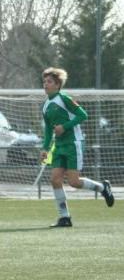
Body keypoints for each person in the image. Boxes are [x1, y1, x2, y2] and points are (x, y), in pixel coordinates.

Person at [41, 67, 114, 228]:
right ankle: (64, 217)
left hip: (74, 144)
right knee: (55, 180)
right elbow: (48, 129)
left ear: (58, 84)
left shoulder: (64, 99)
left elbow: (83, 115)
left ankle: (102, 188)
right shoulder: (45, 106)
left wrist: (65, 127)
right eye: (44, 81)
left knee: (73, 182)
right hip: (59, 146)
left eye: (49, 81)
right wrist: (45, 148)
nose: (45, 84)